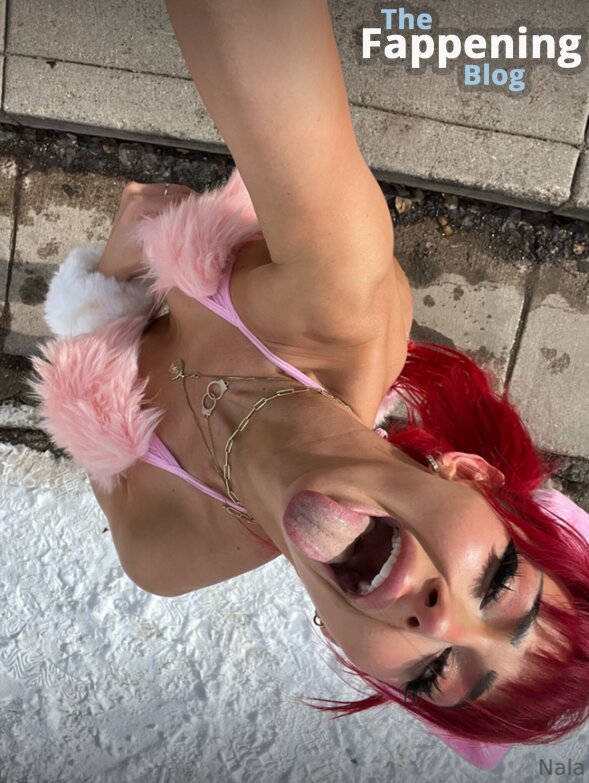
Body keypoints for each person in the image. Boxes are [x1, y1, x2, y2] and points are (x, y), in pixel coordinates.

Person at [27, 0, 589, 768]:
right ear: (470, 476)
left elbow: (83, 376)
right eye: (495, 584)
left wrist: (114, 281)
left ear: (349, 652)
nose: (441, 621)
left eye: (433, 672)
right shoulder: (336, 295)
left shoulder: (164, 551)